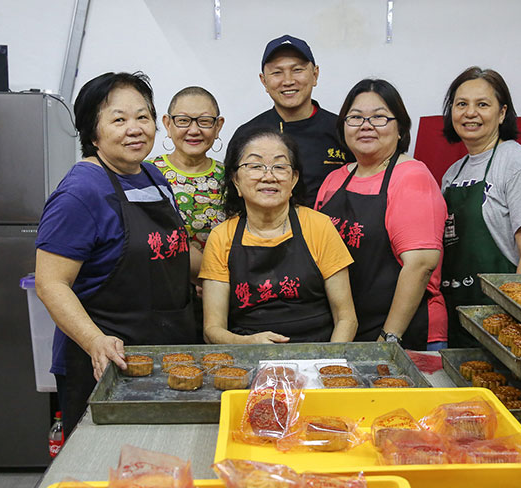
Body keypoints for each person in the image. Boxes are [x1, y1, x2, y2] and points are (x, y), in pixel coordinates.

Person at [35, 72, 202, 434]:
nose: (136, 128)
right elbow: (51, 283)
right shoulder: (80, 193)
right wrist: (95, 341)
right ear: (92, 133)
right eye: (119, 119)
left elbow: (173, 251)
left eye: (143, 117)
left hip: (168, 350)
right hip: (107, 361)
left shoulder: (154, 178)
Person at [315, 79, 448, 351]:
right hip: (348, 330)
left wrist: (389, 339)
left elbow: (420, 265)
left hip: (404, 334)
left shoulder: (411, 176)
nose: (366, 125)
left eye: (379, 117)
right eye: (355, 117)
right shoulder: (335, 179)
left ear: (400, 128)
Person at [200, 127, 357, 344]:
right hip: (248, 358)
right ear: (236, 180)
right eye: (255, 166)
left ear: (293, 179)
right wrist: (248, 344)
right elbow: (212, 329)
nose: (268, 176)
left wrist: (327, 365)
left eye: (280, 166)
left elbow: (346, 319)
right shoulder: (221, 237)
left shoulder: (319, 226)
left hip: (317, 354)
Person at [440, 66, 521, 347]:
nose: (470, 113)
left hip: (504, 317)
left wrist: (511, 321)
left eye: (482, 105)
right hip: (459, 308)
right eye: (461, 104)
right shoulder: (453, 173)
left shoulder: (518, 164)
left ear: (502, 113)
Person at [230, 34, 352, 207]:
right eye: (277, 72)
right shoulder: (248, 134)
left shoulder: (343, 130)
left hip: (329, 231)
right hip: (264, 231)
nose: (288, 81)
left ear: (315, 74)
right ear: (264, 81)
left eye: (297, 70)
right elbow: (234, 200)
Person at [149, 86, 225, 340]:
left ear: (218, 126)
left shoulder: (233, 177)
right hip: (161, 296)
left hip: (222, 294)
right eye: (183, 121)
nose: (194, 130)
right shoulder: (147, 174)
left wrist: (218, 281)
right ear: (167, 124)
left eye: (204, 121)